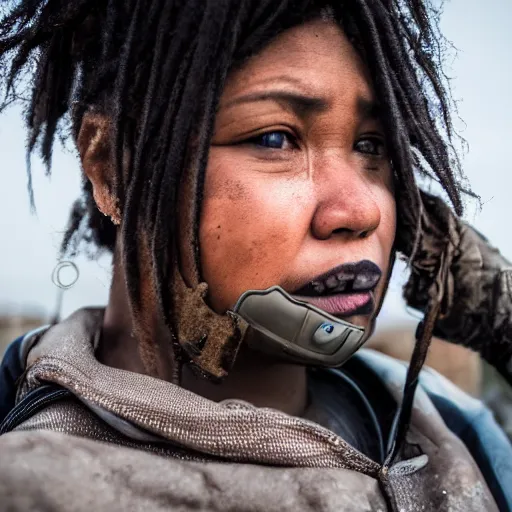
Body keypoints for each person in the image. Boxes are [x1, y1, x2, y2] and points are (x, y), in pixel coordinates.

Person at [0, 1, 511, 511]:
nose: (361, 210)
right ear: (113, 165)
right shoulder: (33, 480)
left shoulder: (446, 418)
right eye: (275, 139)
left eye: (372, 146)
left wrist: (500, 318)